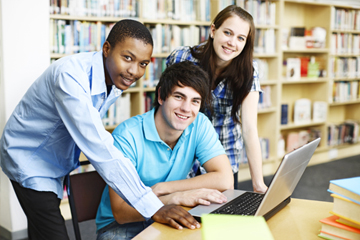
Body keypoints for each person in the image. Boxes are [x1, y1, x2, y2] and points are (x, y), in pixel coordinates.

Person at [0, 19, 199, 240]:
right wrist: (153, 207)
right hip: (29, 158)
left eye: (143, 63)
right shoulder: (70, 77)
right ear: (107, 49)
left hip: (53, 160)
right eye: (127, 58)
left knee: (41, 229)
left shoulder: (111, 76)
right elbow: (98, 146)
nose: (134, 71)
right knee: (52, 230)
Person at [95, 61, 234, 240]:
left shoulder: (199, 123)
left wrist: (164, 189)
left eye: (195, 101)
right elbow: (121, 212)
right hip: (124, 225)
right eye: (179, 96)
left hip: (170, 213)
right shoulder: (127, 135)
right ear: (161, 96)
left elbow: (225, 179)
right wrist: (172, 198)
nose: (186, 108)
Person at [166, 5, 268, 192]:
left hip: (223, 161)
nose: (232, 42)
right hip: (181, 160)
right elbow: (164, 106)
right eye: (227, 33)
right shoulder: (182, 58)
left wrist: (258, 182)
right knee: (181, 217)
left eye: (240, 38)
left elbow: (250, 128)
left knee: (221, 218)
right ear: (213, 30)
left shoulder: (248, 72)